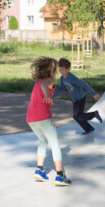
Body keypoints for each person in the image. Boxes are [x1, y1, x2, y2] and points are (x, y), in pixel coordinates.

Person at [27, 56, 72, 186]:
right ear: (51, 71)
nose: (57, 73)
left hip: (31, 118)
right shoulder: (48, 81)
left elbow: (42, 84)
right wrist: (46, 93)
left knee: (43, 141)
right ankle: (60, 175)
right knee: (55, 144)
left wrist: (46, 92)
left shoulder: (38, 81)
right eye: (56, 70)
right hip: (43, 117)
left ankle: (39, 169)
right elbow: (45, 85)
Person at [55, 58, 102, 134]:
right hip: (75, 100)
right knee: (77, 117)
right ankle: (89, 128)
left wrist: (94, 93)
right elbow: (61, 89)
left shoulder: (72, 77)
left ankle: (94, 114)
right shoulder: (62, 78)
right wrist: (52, 89)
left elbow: (84, 84)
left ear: (68, 69)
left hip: (81, 98)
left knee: (77, 116)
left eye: (62, 70)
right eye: (59, 70)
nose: (61, 72)